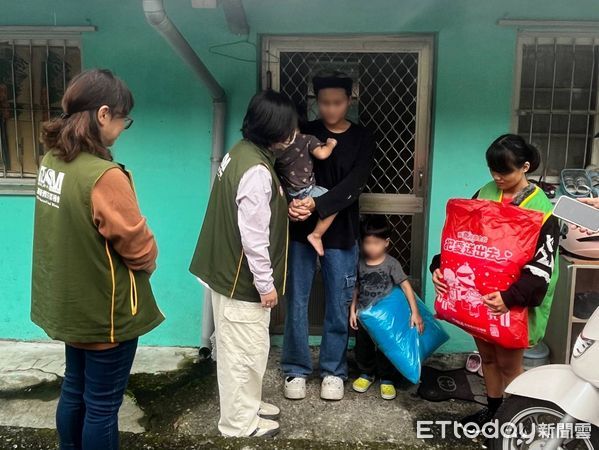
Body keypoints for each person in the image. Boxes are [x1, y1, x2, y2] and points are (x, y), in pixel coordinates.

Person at [31, 69, 164, 450]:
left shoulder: (52, 162)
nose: (123, 128)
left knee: (74, 389)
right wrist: (149, 259)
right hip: (105, 312)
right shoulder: (104, 176)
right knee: (103, 405)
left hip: (70, 306)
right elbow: (138, 247)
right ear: (104, 114)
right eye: (124, 119)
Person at [430, 134, 560, 426]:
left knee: (510, 365)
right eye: (493, 170)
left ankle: (518, 422)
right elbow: (461, 238)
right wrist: (440, 268)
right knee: (487, 358)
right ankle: (493, 412)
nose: (497, 177)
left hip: (512, 298)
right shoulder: (484, 193)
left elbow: (543, 266)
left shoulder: (542, 209)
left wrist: (510, 298)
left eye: (506, 171)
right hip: (480, 296)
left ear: (525, 166)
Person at [189, 89, 297, 438]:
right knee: (243, 353)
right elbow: (253, 237)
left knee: (246, 348)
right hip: (241, 281)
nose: (293, 134)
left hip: (224, 273)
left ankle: (247, 405)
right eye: (290, 128)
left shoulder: (241, 153)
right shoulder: (256, 171)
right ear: (276, 131)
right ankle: (239, 424)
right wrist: (266, 285)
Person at [281, 71, 376, 401]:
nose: (330, 109)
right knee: (297, 300)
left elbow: (355, 183)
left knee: (337, 302)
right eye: (324, 103)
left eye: (337, 103)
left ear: (350, 101)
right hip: (301, 229)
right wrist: (292, 205)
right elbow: (288, 171)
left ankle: (334, 370)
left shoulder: (363, 136)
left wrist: (317, 204)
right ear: (315, 102)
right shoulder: (305, 131)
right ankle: (295, 367)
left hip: (342, 231)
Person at [349, 215, 424, 400]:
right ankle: (366, 373)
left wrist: (415, 313)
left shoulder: (391, 264)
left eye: (376, 243)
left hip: (386, 320)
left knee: (386, 347)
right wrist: (352, 311)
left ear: (386, 243)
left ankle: (386, 378)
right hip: (365, 316)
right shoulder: (359, 263)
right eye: (367, 243)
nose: (371, 247)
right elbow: (356, 288)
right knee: (363, 346)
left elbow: (406, 286)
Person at [275, 129, 338, 256]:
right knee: (332, 201)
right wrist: (331, 144)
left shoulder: (277, 144)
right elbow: (322, 154)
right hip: (307, 190)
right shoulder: (307, 139)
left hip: (288, 194)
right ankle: (316, 235)